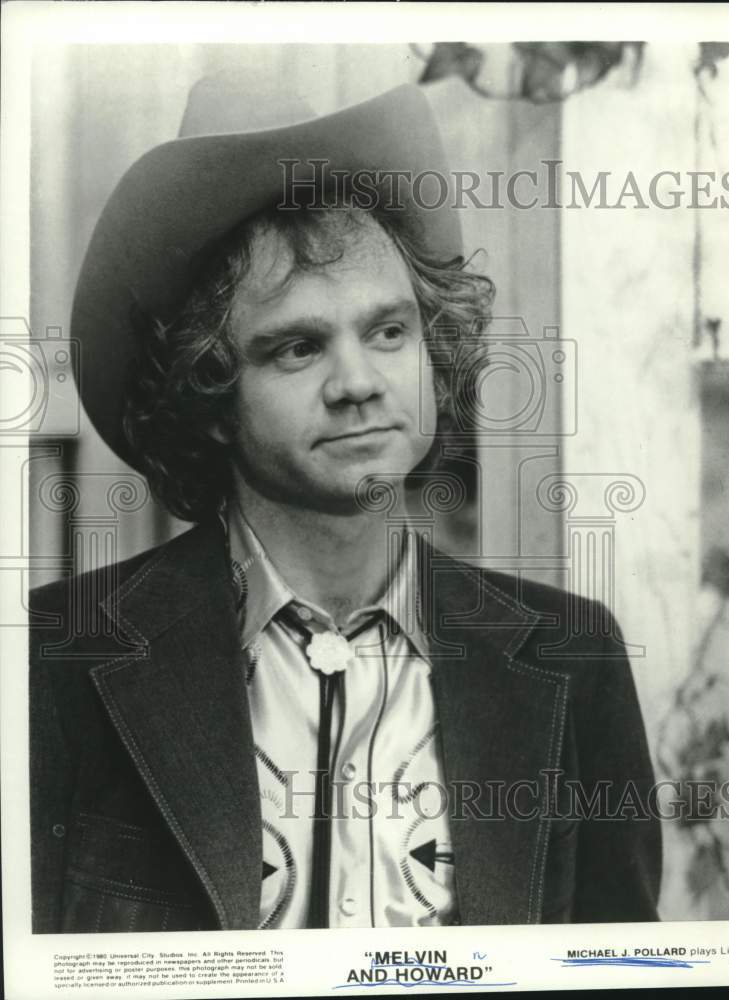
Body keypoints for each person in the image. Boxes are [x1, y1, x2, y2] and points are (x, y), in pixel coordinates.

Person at [29, 72, 661, 933]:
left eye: (389, 330)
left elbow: (619, 974)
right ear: (210, 394)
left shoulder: (573, 658)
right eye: (297, 348)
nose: (359, 383)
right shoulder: (50, 663)